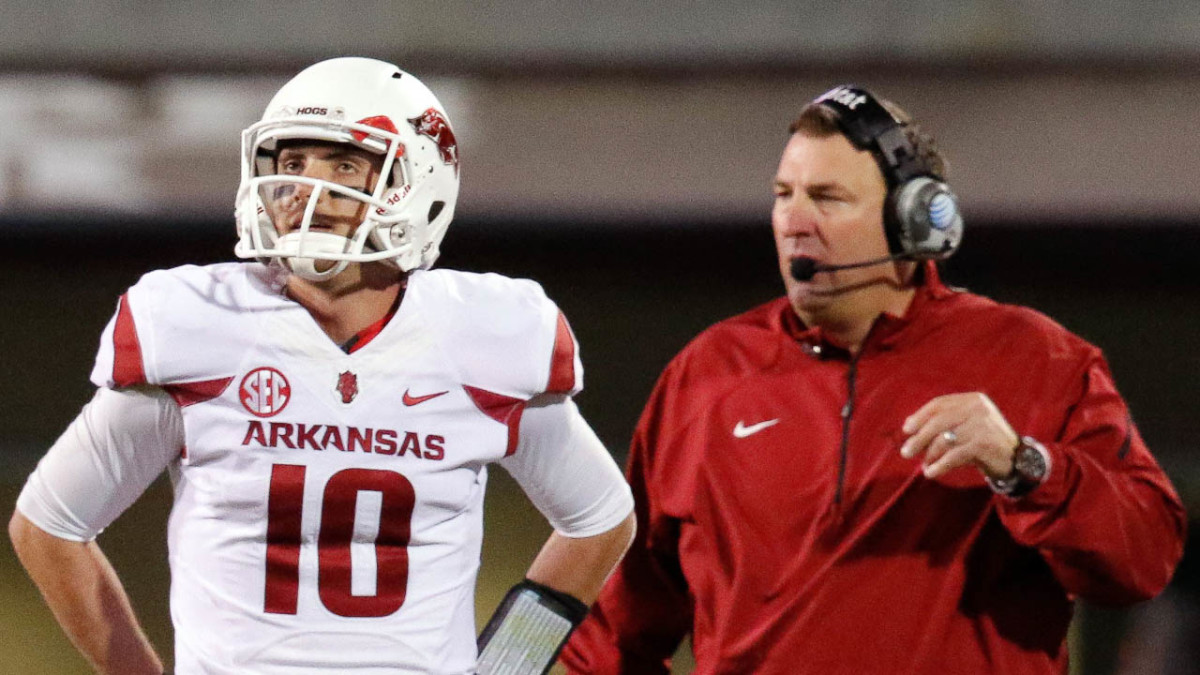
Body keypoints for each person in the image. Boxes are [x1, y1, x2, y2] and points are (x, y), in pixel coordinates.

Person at [8, 57, 635, 675]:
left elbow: (600, 522)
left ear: (416, 183)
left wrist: (506, 665)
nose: (308, 186)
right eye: (291, 163)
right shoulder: (198, 324)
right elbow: (49, 525)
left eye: (343, 163)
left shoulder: (486, 338)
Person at [560, 84, 1186, 674]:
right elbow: (616, 630)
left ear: (915, 219)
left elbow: (1145, 560)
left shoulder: (1038, 360)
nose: (794, 220)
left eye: (827, 197)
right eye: (784, 194)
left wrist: (1022, 466)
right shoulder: (706, 374)